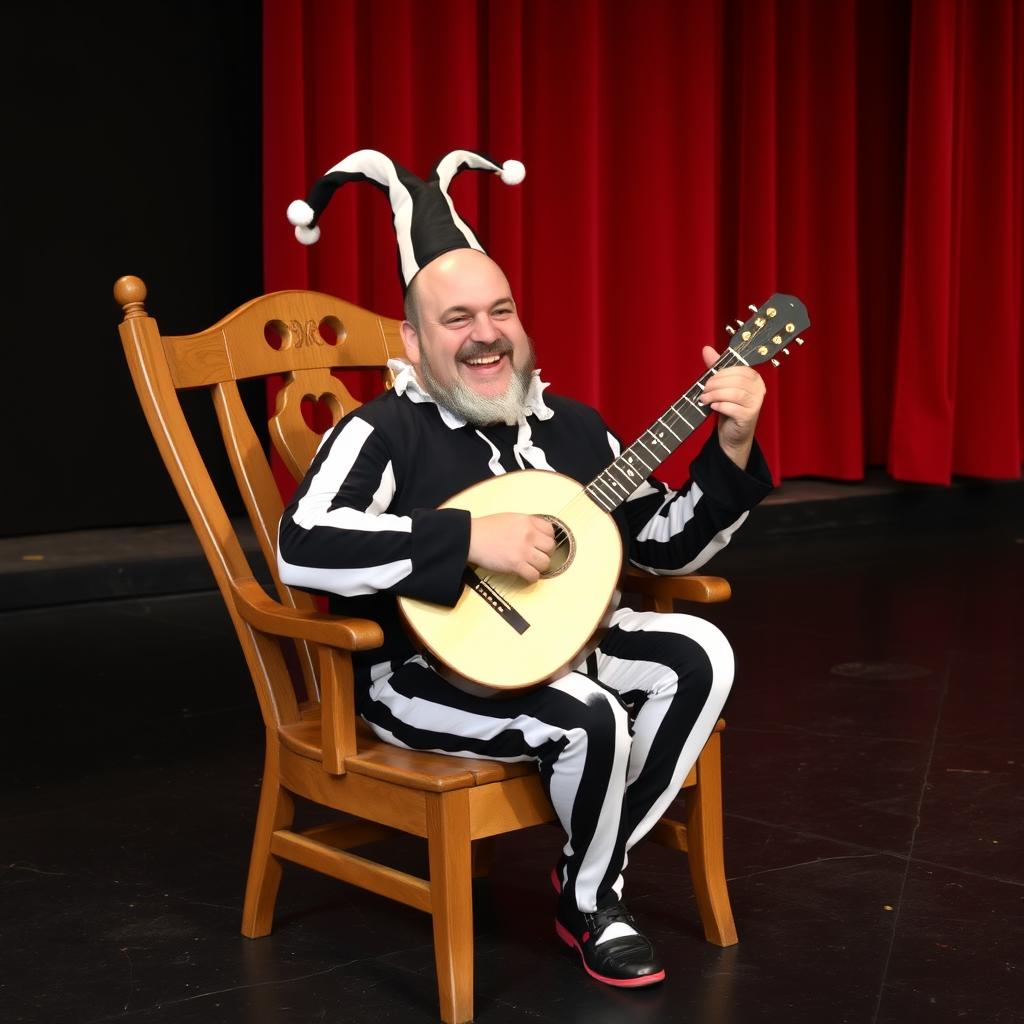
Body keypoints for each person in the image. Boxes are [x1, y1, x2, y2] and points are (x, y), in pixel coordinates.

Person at [278, 149, 772, 988]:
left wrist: (732, 444)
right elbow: (304, 543)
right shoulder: (382, 432)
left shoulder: (575, 426)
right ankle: (595, 904)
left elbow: (659, 543)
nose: (485, 333)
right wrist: (466, 540)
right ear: (413, 339)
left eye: (500, 310)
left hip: (568, 638)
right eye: (457, 316)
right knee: (591, 717)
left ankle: (587, 878)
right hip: (428, 668)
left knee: (702, 650)